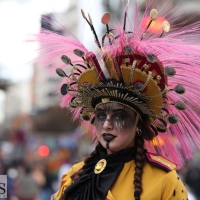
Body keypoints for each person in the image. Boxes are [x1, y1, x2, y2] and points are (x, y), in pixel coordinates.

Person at [33, 1, 200, 199]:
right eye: (101, 115)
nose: (107, 125)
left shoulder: (164, 180)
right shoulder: (73, 175)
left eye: (120, 116)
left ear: (138, 123)